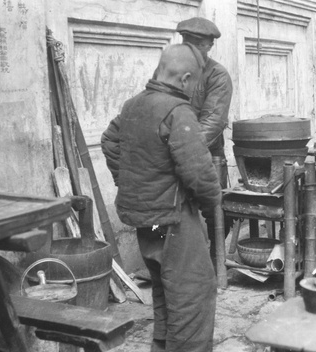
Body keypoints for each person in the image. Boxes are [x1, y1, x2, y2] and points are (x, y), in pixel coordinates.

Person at [101, 43, 222, 352]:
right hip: (173, 224)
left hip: (151, 226)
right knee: (192, 293)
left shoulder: (133, 105)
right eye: (194, 83)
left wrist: (133, 185)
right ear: (184, 79)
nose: (195, 90)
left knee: (165, 289)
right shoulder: (177, 111)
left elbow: (110, 141)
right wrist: (211, 209)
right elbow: (201, 174)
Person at [175, 17, 234, 262]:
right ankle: (174, 260)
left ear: (209, 46)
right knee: (170, 208)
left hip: (208, 154)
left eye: (198, 44)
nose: (190, 49)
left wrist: (183, 150)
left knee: (217, 210)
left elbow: (212, 122)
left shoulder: (217, 75)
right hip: (175, 151)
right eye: (186, 43)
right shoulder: (172, 71)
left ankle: (214, 260)